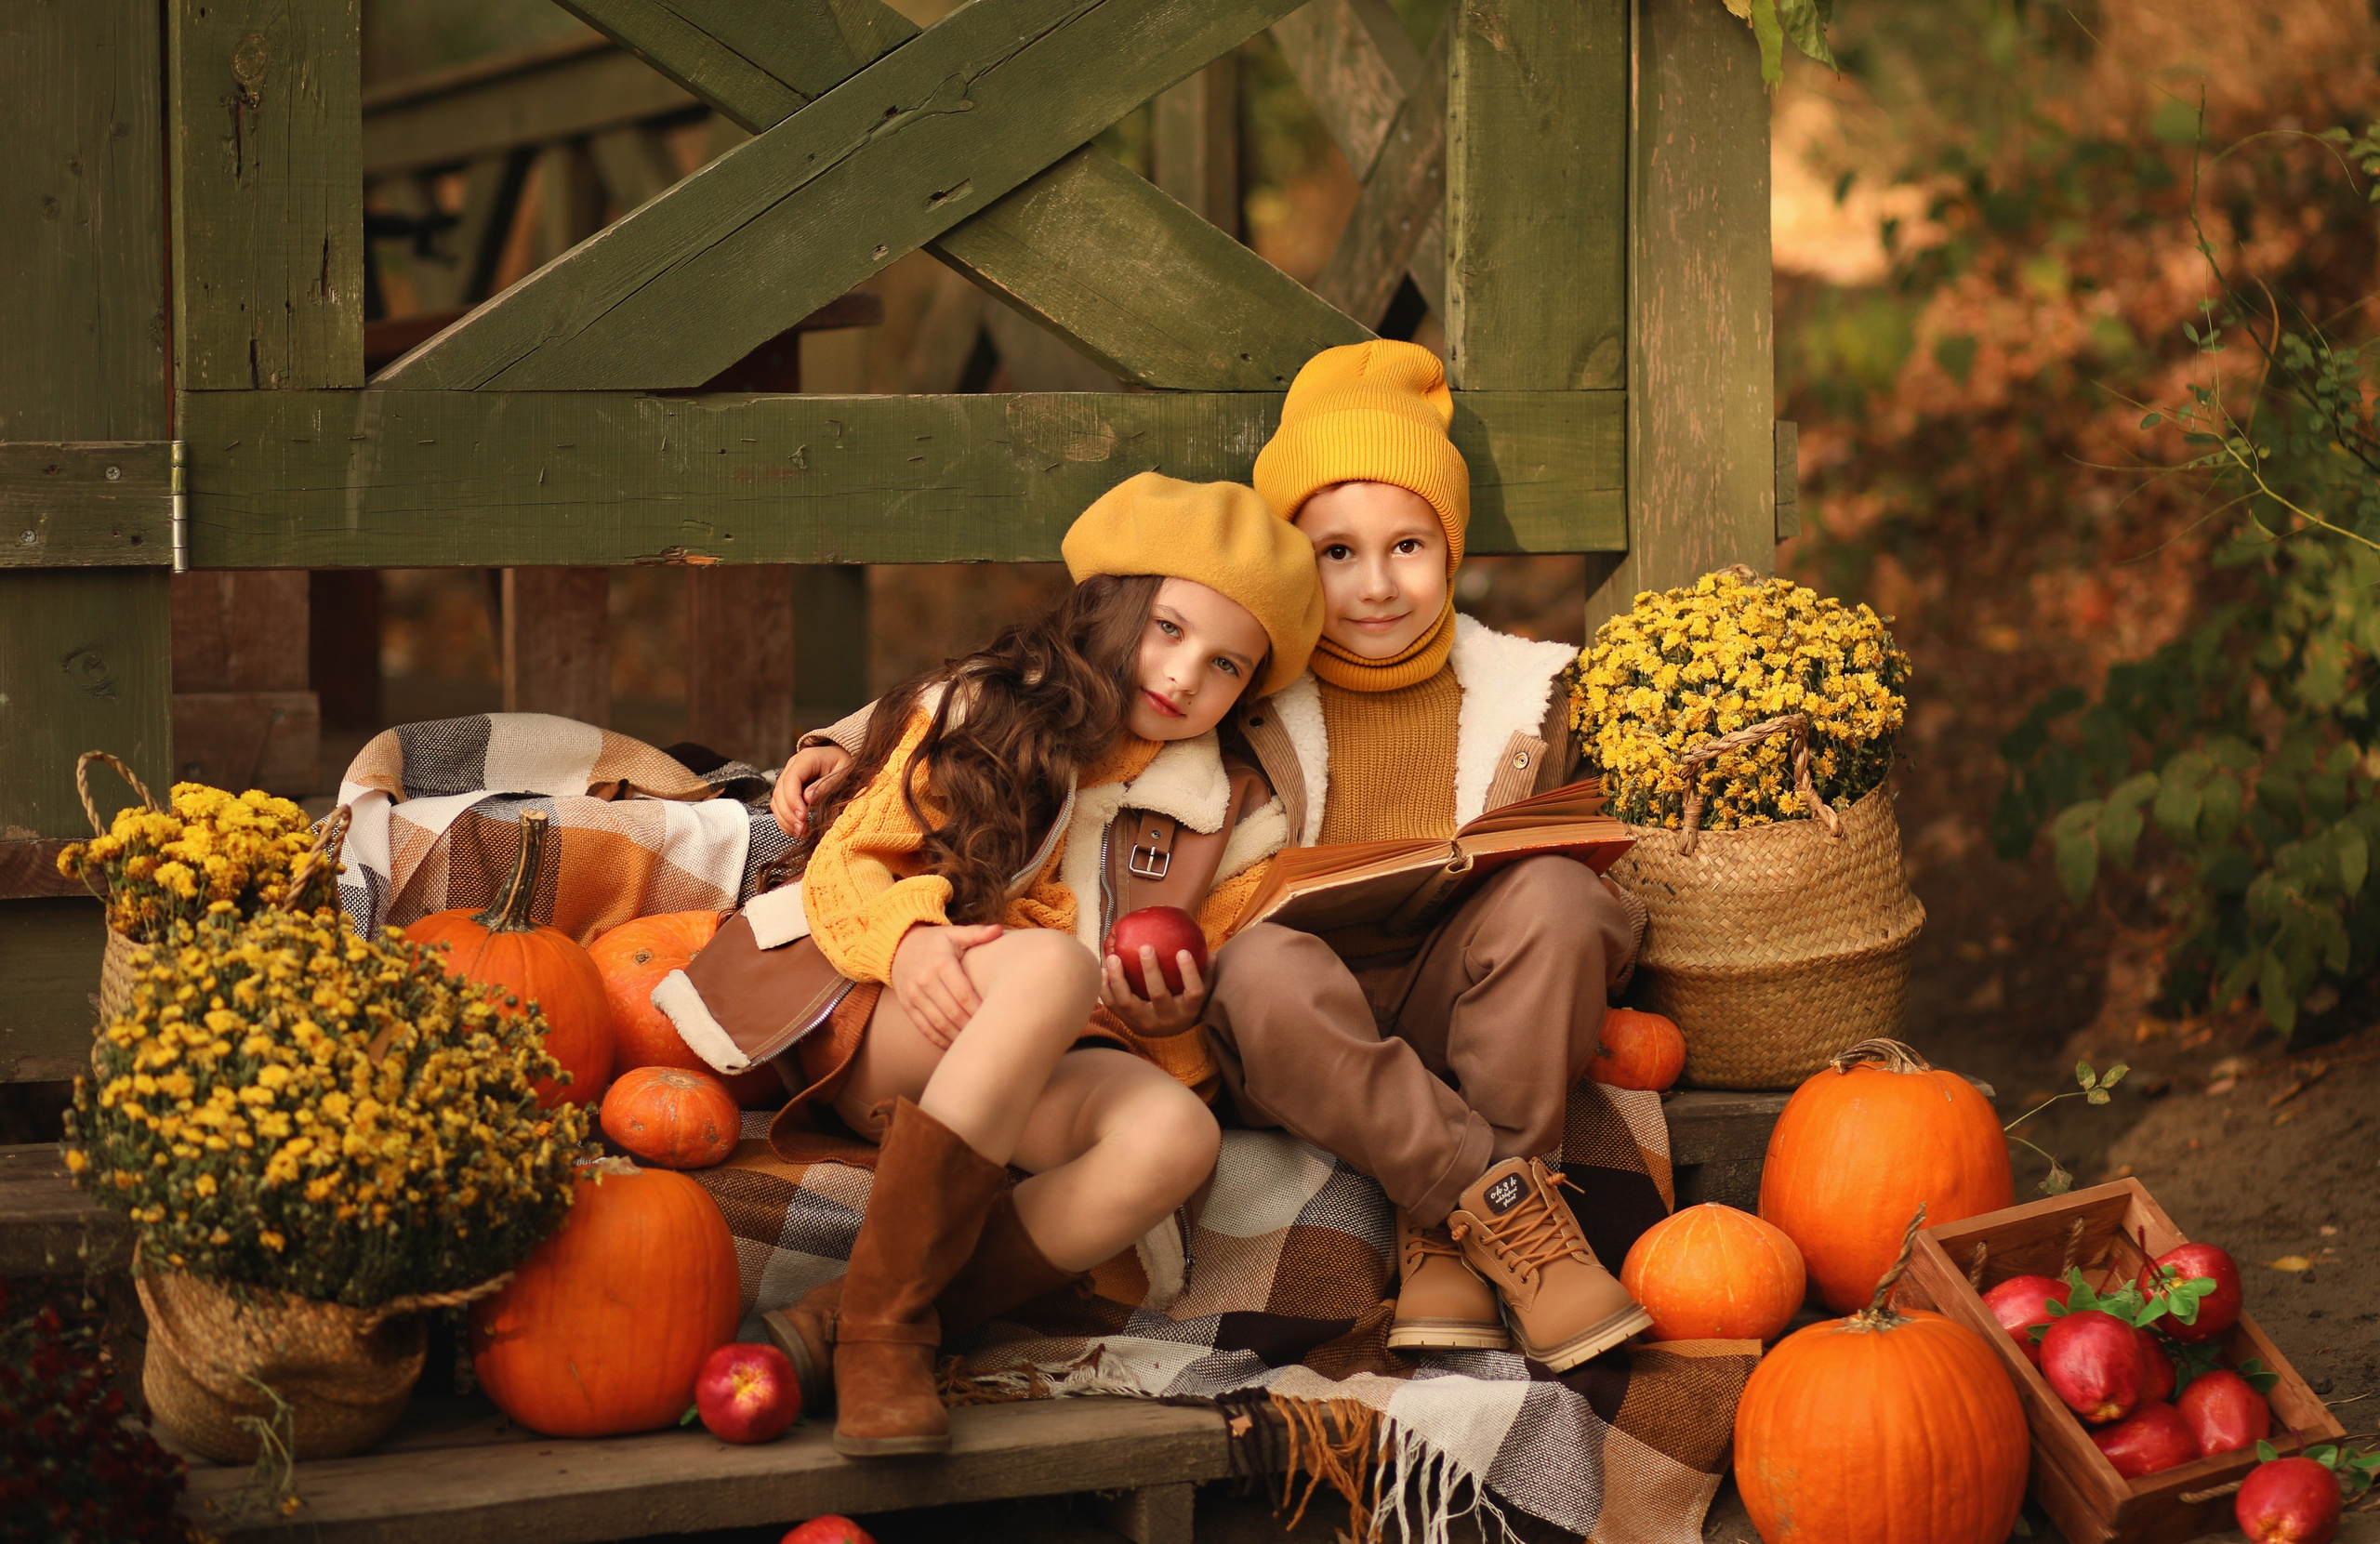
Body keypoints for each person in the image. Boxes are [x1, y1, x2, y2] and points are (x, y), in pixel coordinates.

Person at [780, 345, 1651, 1374]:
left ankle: (1465, 1223)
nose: (1374, 585)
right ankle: (1480, 1200)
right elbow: (994, 707)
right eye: (1335, 553)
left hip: (1446, 978)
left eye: (1410, 545)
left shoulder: (1519, 693)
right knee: (1244, 969)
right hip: (1235, 992)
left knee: (1553, 896)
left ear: (1451, 551)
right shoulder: (1248, 688)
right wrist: (844, 742)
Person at [769, 472, 1321, 1458]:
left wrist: (1168, 1020)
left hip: (1047, 1057)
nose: (1186, 674)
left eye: (1227, 663)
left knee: (1173, 1134)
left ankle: (861, 1309)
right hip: (901, 1021)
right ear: (1109, 603)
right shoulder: (984, 712)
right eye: (1168, 627)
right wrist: (909, 932)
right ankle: (884, 1340)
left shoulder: (1217, 815)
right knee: (1051, 969)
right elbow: (847, 856)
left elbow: (1199, 987)